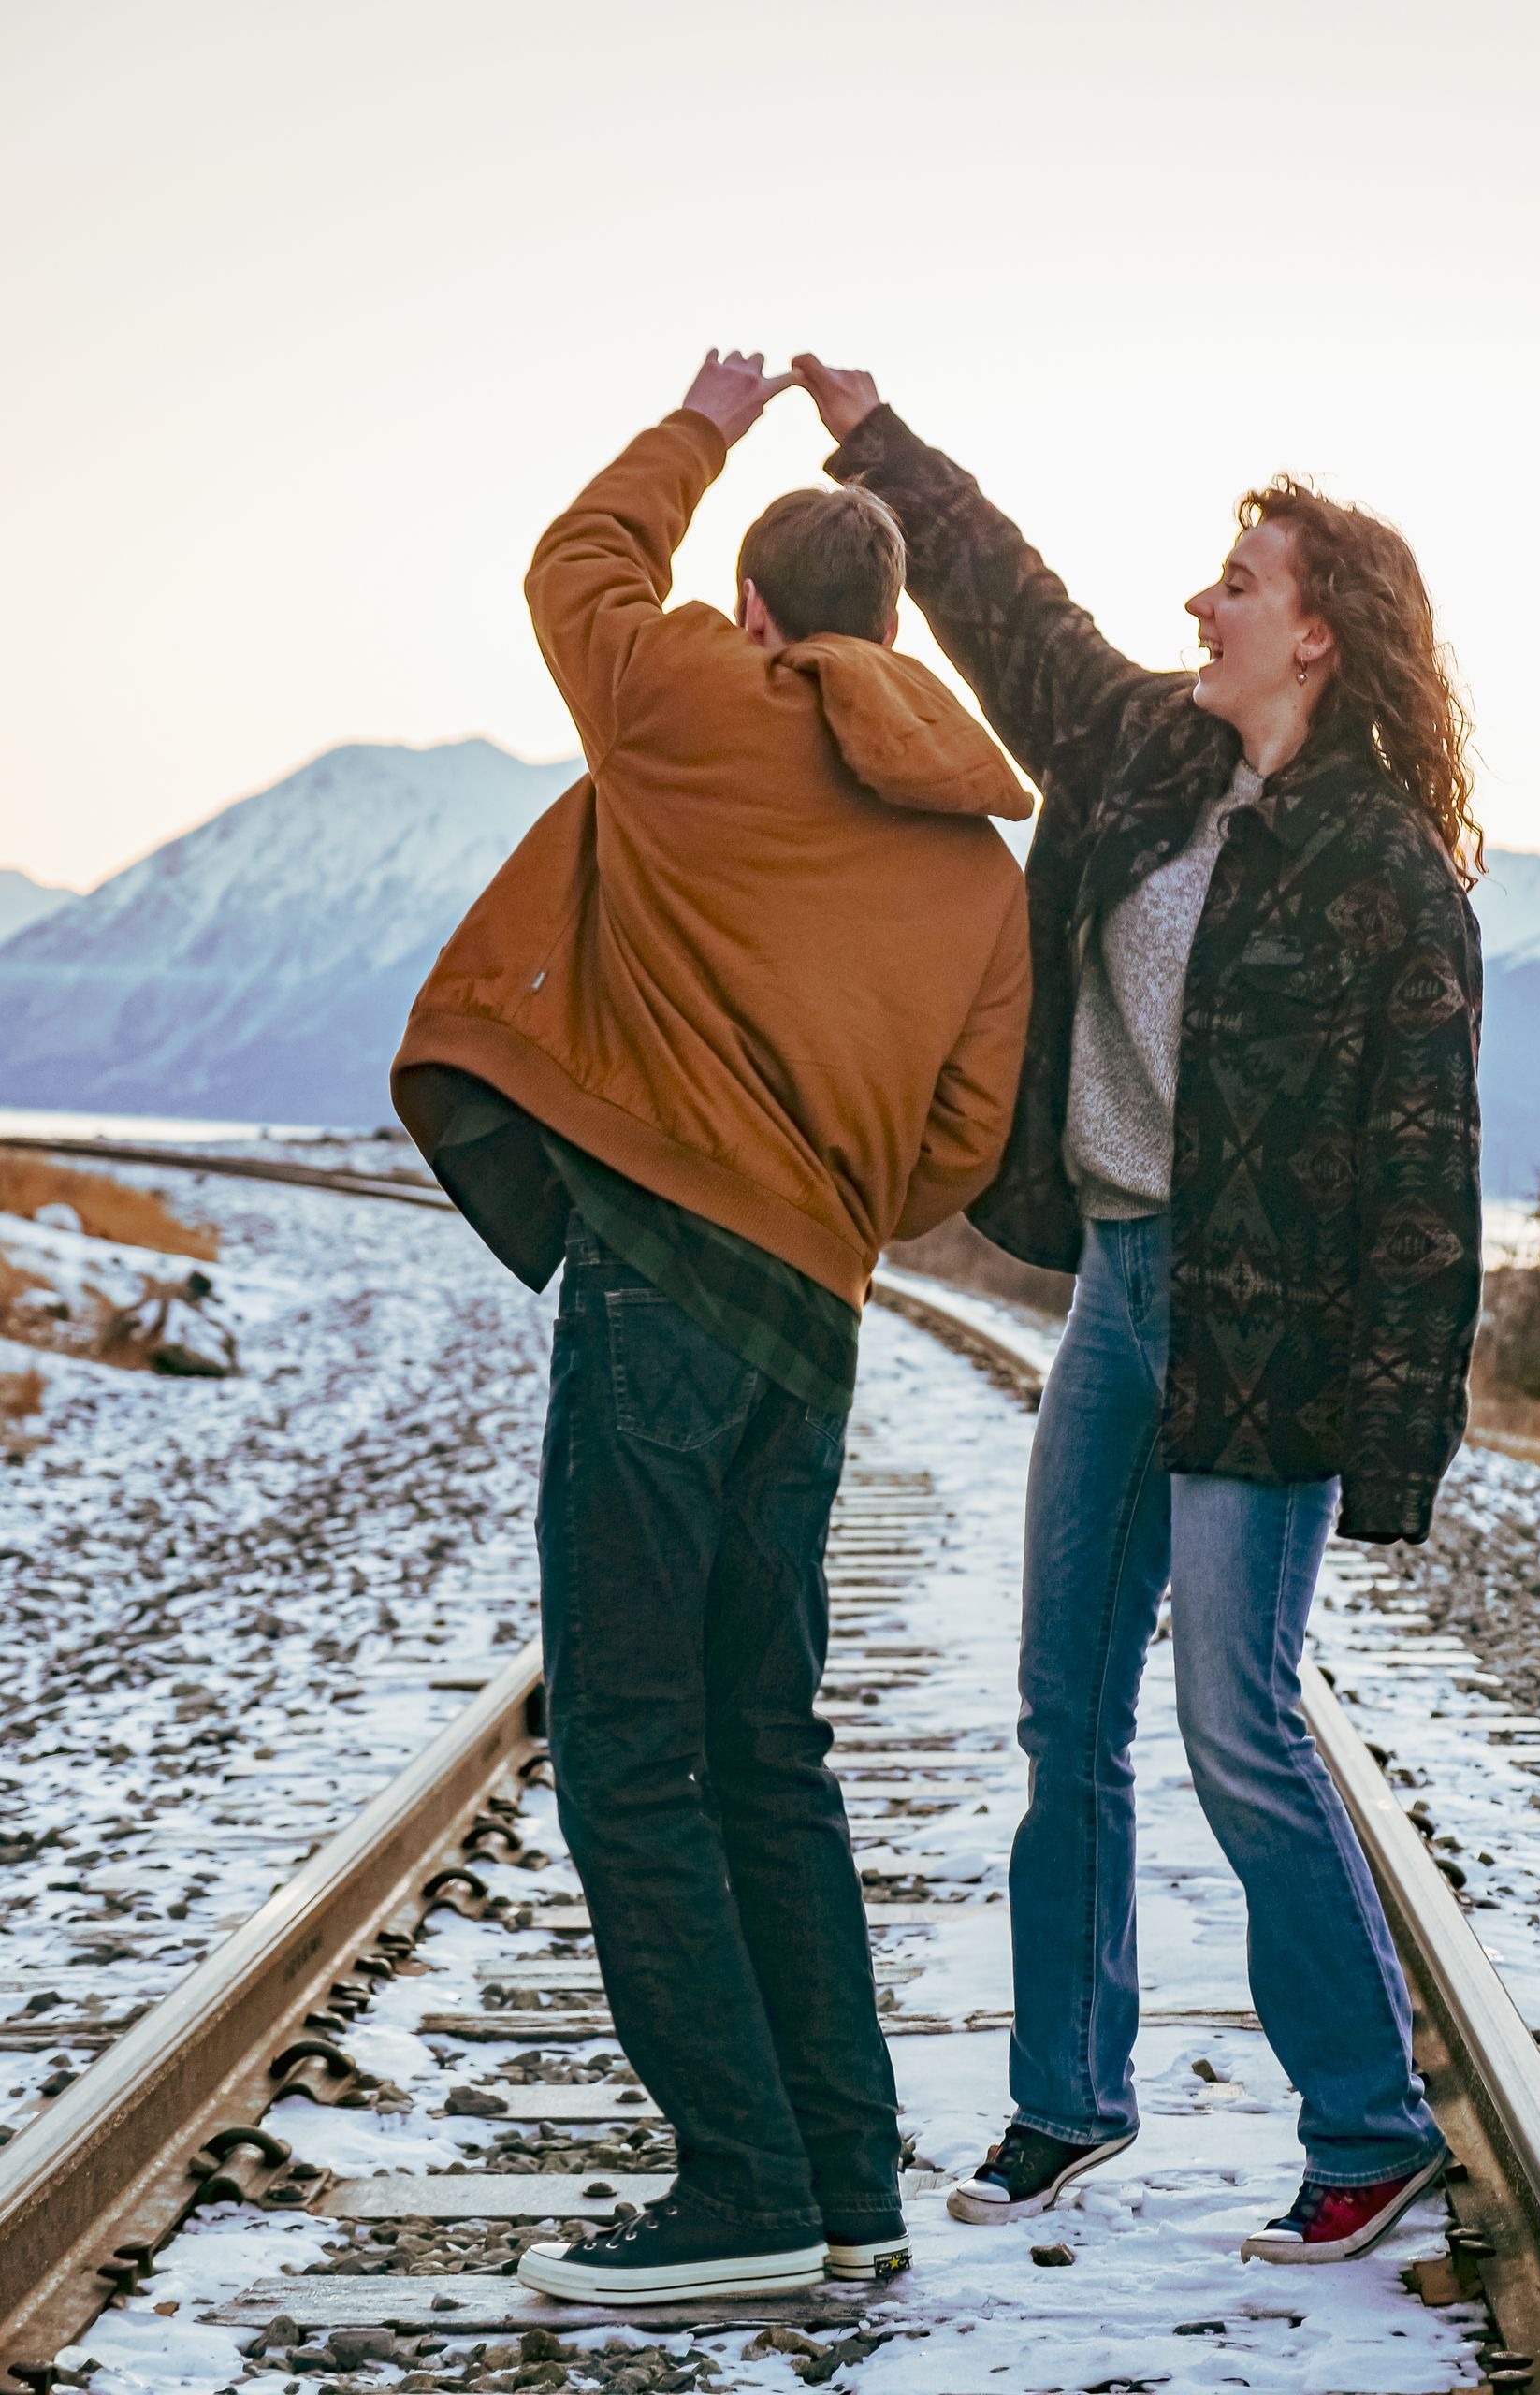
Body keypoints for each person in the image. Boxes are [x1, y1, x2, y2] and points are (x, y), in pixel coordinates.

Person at [791, 356, 1483, 2265]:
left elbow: (1422, 1187)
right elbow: (1008, 600)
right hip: (1118, 1283)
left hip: (1267, 1336)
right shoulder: (1144, 759)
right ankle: (1065, 2095)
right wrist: (870, 437)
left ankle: (1366, 2121)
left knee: (1235, 1723)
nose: (1201, 601)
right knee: (1059, 1710)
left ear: (1320, 635)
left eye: (1238, 580)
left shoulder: (1390, 879)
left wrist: (1393, 1445)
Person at [390, 351, 1032, 2302]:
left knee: (631, 1754)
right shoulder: (978, 859)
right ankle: (848, 2185)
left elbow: (578, 560)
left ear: (756, 612)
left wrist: (706, 417)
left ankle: (742, 2187)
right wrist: (822, 1182)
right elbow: (962, 1142)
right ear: (891, 628)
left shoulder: (681, 701)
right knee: (773, 1752)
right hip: (815, 1323)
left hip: (661, 1288)